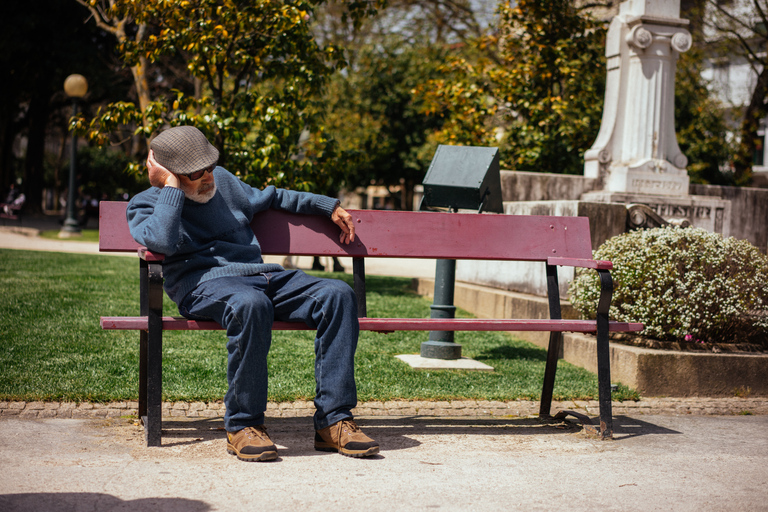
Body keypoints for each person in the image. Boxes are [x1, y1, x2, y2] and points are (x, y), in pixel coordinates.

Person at [127, 126, 379, 462]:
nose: (207, 177)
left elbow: (274, 196)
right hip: (202, 285)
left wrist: (325, 206)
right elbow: (160, 241)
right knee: (250, 304)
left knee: (337, 295)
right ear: (169, 173)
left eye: (209, 167)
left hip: (261, 276)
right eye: (194, 173)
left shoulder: (225, 182)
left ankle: (334, 421)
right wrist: (171, 189)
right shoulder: (145, 204)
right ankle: (243, 425)